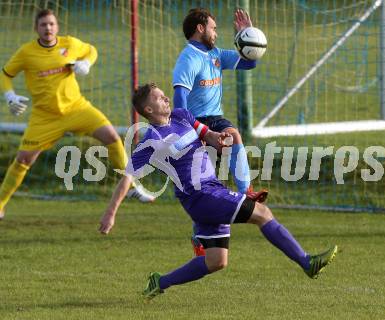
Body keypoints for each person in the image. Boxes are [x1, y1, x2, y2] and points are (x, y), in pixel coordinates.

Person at [99, 83, 338, 300]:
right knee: (262, 213)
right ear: (149, 110)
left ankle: (160, 281)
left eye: (164, 96)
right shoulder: (152, 140)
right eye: (160, 98)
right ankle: (307, 262)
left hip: (210, 190)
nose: (167, 100)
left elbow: (208, 135)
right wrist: (111, 213)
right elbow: (127, 177)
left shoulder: (182, 116)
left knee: (216, 261)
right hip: (201, 196)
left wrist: (220, 139)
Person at [0, 9, 153, 219]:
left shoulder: (69, 44)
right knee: (24, 160)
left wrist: (86, 63)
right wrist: (10, 96)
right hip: (45, 117)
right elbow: (6, 74)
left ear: (57, 27)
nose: (48, 28)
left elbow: (91, 50)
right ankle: (0, 204)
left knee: (111, 137)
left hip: (77, 109)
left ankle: (132, 186)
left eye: (52, 24)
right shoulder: (26, 52)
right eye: (43, 25)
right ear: (36, 28)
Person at [173, 7, 267, 255]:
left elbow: (251, 62)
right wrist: (191, 132)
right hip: (196, 123)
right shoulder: (188, 59)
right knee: (207, 185)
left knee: (235, 135)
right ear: (200, 28)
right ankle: (199, 237)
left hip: (215, 118)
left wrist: (247, 33)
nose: (216, 32)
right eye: (213, 28)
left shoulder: (214, 54)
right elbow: (179, 98)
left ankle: (247, 191)